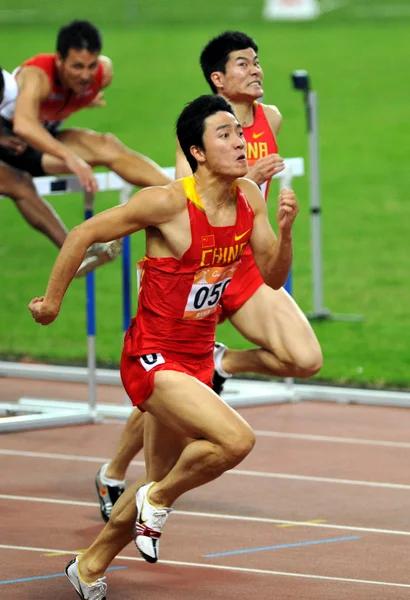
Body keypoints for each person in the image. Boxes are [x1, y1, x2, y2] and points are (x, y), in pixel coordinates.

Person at [29, 94, 299, 598]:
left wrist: (284, 233)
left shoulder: (250, 198)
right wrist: (52, 302)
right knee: (236, 441)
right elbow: (84, 233)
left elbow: (272, 274)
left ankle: (88, 565)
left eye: (239, 133)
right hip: (152, 357)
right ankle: (160, 497)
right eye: (224, 134)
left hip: (197, 357)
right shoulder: (167, 201)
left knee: (154, 478)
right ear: (196, 151)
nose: (240, 141)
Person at [93, 30, 323, 523]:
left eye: (258, 61)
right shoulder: (198, 129)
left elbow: (247, 205)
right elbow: (193, 196)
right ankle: (116, 473)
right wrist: (252, 178)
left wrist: (264, 205)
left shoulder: (271, 117)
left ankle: (225, 364)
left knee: (305, 358)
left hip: (247, 259)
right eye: (244, 64)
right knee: (168, 383)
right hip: (201, 266)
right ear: (219, 79)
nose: (257, 70)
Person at [1, 20, 171, 274]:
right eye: (77, 66)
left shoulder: (103, 75)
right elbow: (24, 125)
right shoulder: (37, 75)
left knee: (107, 146)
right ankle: (75, 253)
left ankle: (181, 198)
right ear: (59, 59)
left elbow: (74, 94)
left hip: (41, 140)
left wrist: (86, 98)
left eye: (91, 66)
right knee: (19, 184)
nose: (85, 74)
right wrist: (72, 159)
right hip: (13, 136)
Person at [0, 66, 118, 275]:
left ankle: (74, 256)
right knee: (15, 183)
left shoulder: (8, 86)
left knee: (20, 184)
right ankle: (74, 255)